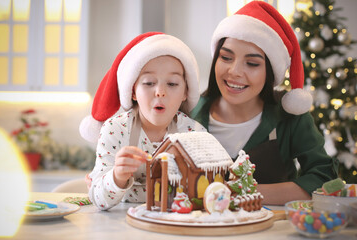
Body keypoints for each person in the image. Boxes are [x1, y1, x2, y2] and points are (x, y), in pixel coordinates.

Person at [191, 2, 338, 205]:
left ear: (270, 72)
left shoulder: (290, 117)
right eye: (226, 57)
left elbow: (324, 179)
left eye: (252, 63)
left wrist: (246, 193)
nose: (234, 71)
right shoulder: (189, 111)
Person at [79, 32, 205, 210]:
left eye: (172, 84)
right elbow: (98, 199)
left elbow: (205, 191)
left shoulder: (194, 134)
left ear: (186, 92)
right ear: (132, 91)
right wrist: (117, 176)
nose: (160, 92)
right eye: (148, 83)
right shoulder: (115, 130)